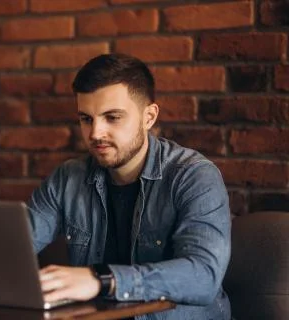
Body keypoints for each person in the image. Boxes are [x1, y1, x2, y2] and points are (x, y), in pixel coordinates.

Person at [27, 53, 231, 319]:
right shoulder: (68, 178)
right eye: (86, 119)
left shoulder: (194, 176)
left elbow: (204, 276)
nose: (95, 133)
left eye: (112, 117)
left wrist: (100, 279)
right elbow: (11, 249)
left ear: (149, 117)